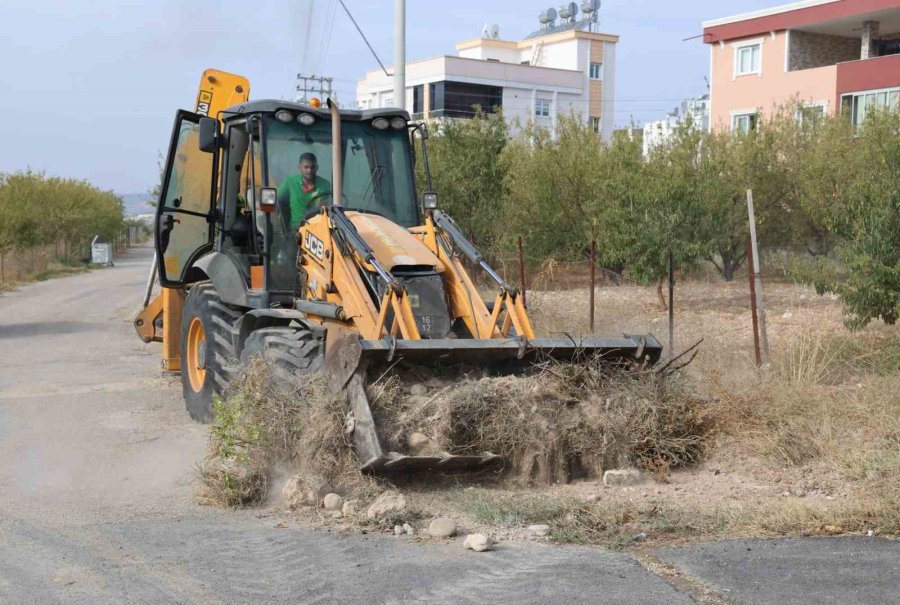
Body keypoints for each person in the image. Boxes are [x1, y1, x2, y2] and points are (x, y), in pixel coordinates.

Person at [277, 152, 331, 230]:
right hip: (295, 229)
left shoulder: (325, 185)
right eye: (306, 167)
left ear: (317, 168)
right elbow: (276, 201)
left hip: (316, 228)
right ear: (299, 167)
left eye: (312, 167)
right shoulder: (290, 182)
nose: (309, 170)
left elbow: (324, 206)